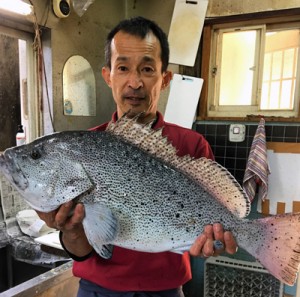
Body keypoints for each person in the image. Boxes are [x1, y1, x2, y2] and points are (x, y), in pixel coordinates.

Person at [36, 16, 238, 297]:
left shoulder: (191, 146)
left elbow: (213, 239)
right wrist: (69, 230)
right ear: (108, 76)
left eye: (146, 69)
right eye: (123, 68)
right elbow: (81, 251)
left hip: (165, 291)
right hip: (98, 290)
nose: (134, 82)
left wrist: (216, 243)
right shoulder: (83, 149)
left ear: (164, 78)